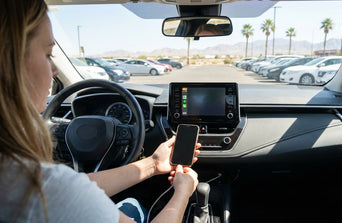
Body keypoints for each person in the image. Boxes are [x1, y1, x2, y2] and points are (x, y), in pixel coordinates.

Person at [0, 0, 200, 222]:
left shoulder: (27, 181)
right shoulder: (41, 188)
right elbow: (67, 192)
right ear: (9, 62)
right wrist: (183, 191)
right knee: (134, 206)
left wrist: (153, 163)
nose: (55, 70)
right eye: (48, 55)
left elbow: (75, 190)